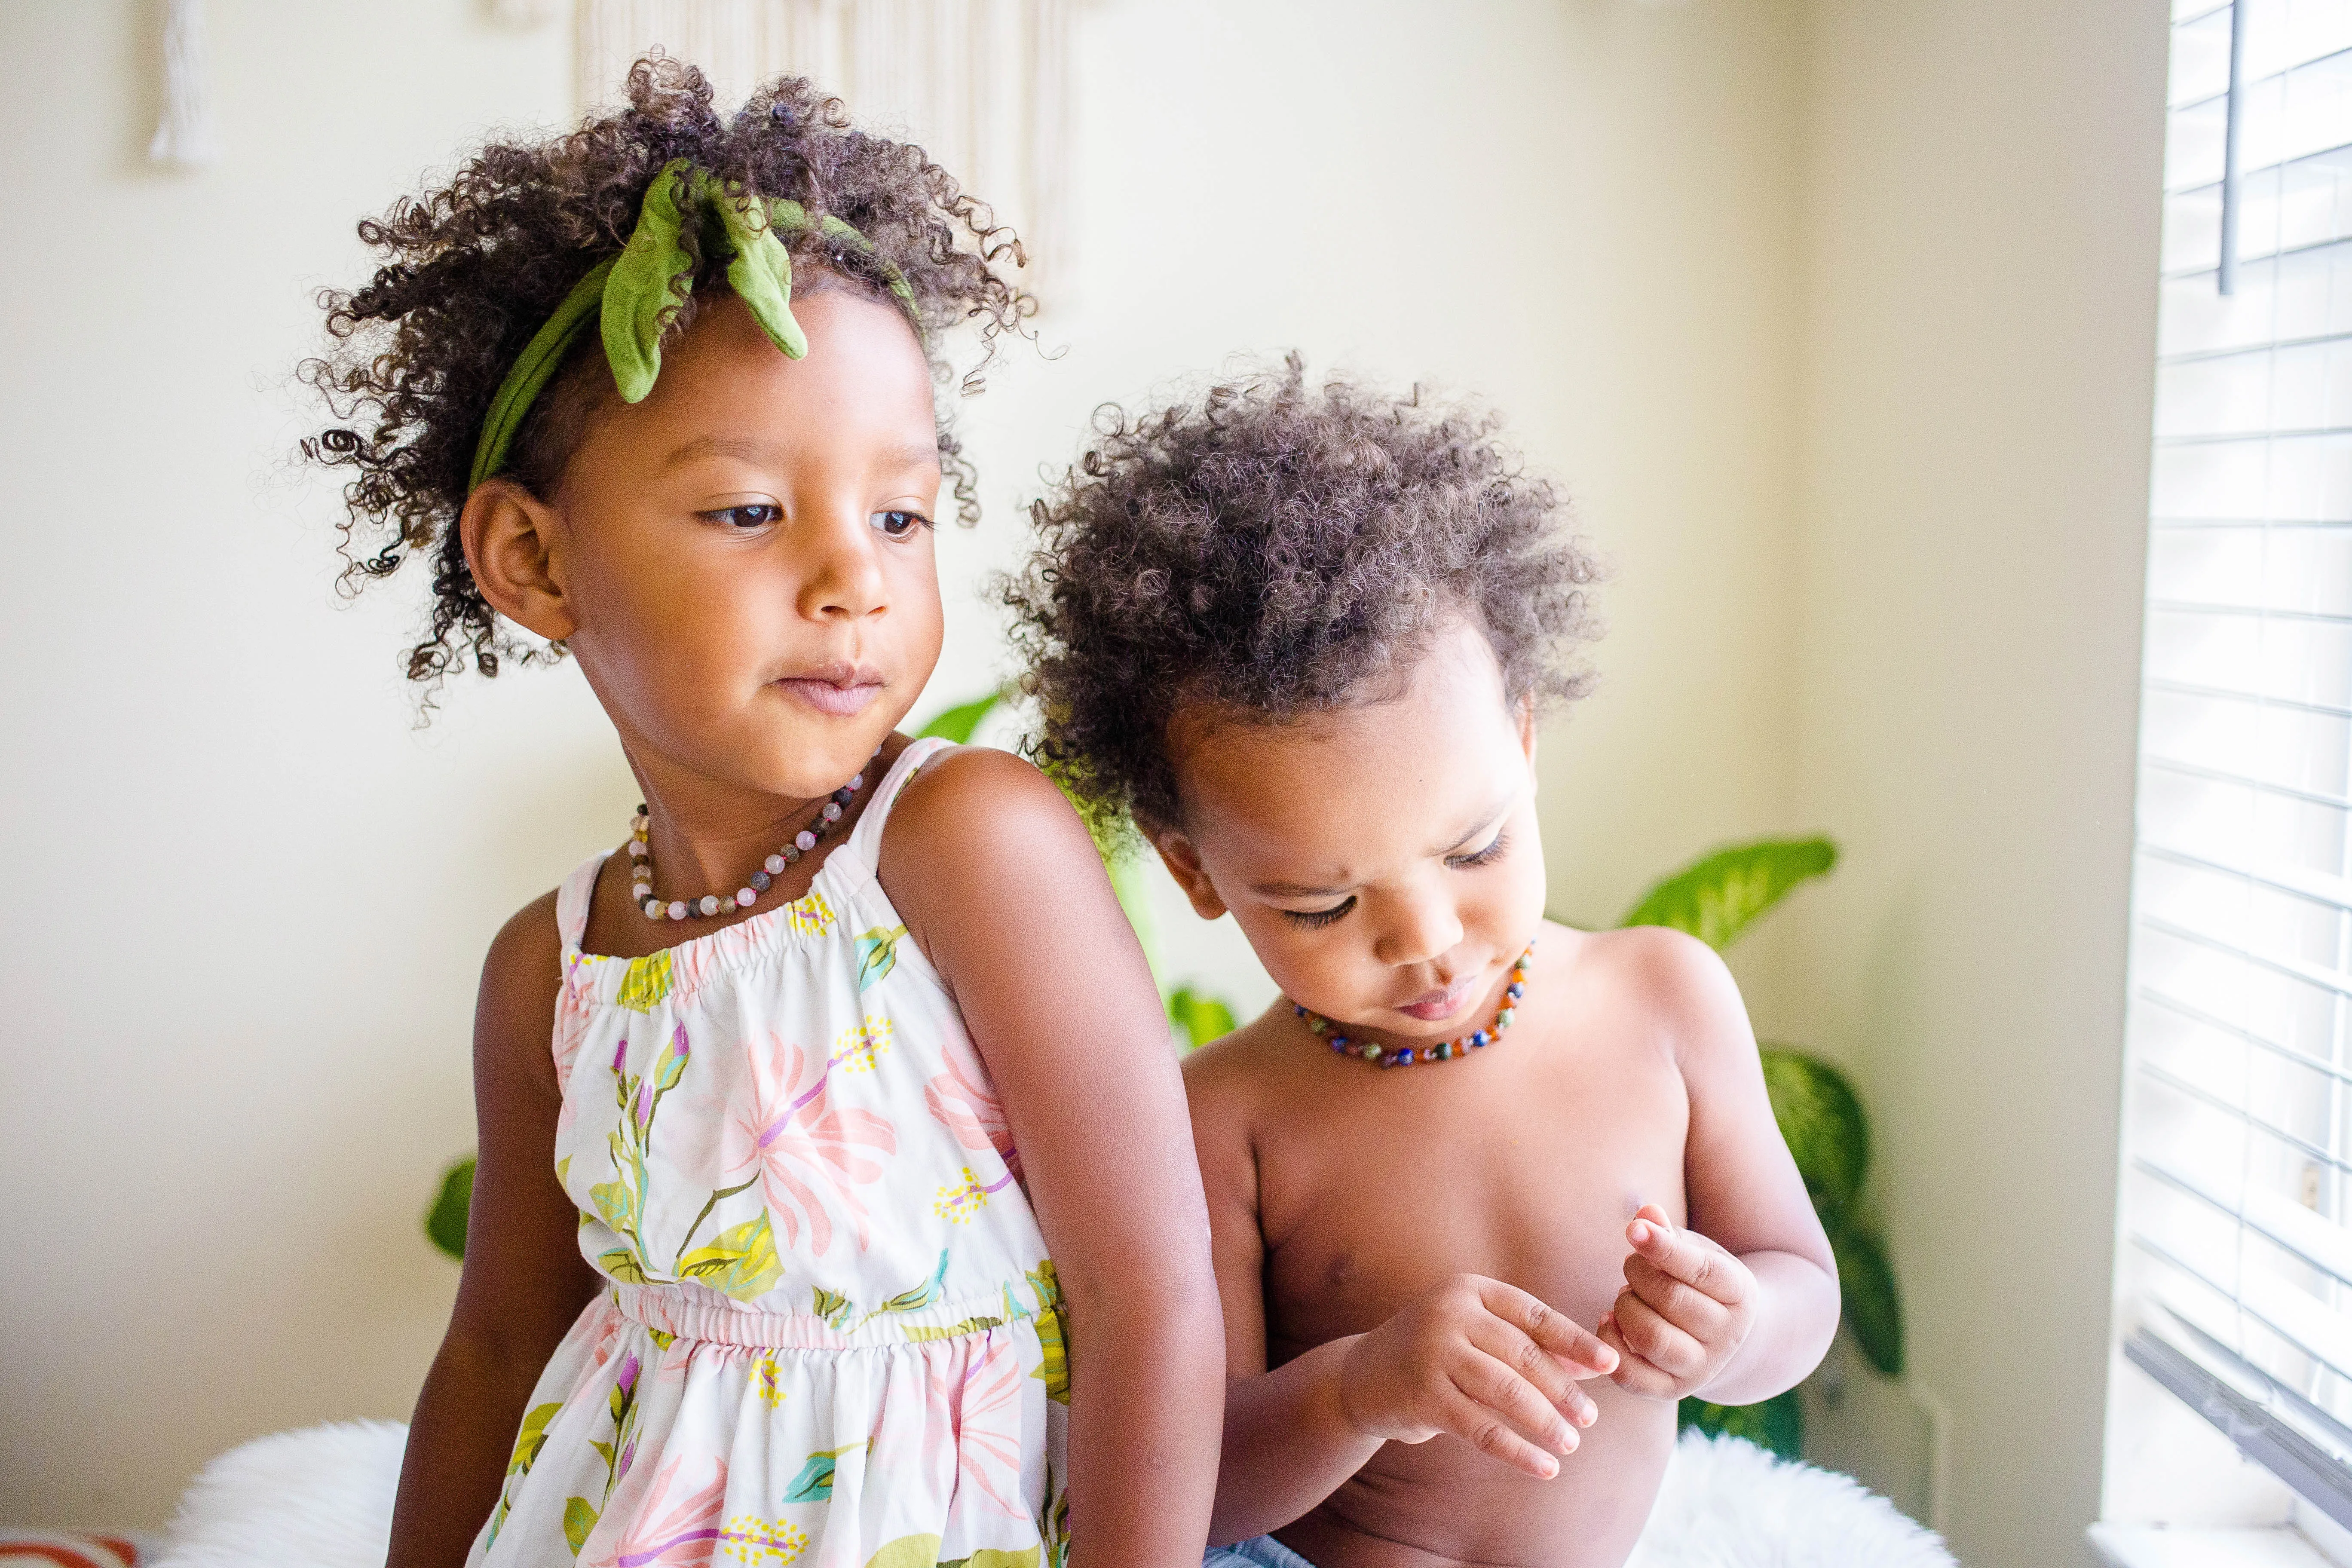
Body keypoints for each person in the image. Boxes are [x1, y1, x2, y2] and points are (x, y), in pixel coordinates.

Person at [302, 60, 1223, 1568]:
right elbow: (496, 1353)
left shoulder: (965, 844)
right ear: (534, 565)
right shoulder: (549, 971)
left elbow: (1153, 1293)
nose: (854, 577)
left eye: (903, 514)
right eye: (749, 510)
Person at [1003, 360, 1840, 1568]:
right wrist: (1362, 1389)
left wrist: (1742, 1324)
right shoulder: (1225, 1120)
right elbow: (1194, 1486)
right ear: (1193, 873)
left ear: (1526, 737)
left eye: (1476, 847)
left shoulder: (1663, 999)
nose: (1427, 940)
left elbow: (1800, 1289)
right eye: (1325, 904)